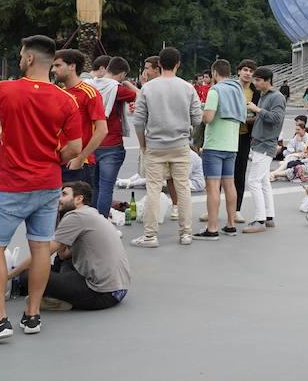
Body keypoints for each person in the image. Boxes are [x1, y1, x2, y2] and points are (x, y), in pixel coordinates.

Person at [0, 35, 82, 346]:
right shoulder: (67, 99)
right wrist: (53, 158)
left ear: (27, 59)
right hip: (50, 184)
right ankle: (32, 314)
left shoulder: (5, 90)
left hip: (13, 185)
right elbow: (75, 148)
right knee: (40, 248)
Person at [130, 47, 202, 248]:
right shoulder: (188, 88)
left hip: (154, 145)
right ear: (178, 64)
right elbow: (197, 118)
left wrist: (143, 145)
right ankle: (186, 233)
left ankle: (150, 235)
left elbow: (138, 121)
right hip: (180, 145)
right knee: (183, 187)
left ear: (159, 64)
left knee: (153, 188)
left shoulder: (148, 88)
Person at [41, 181, 131, 310]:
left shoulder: (76, 217)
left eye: (64, 194)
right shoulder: (91, 213)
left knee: (30, 275)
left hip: (102, 294)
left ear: (79, 199)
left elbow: (43, 254)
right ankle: (58, 295)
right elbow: (63, 255)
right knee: (63, 263)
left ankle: (59, 299)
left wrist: (12, 274)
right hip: (119, 290)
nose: (58, 199)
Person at [195, 59, 246, 240]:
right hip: (232, 144)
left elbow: (208, 118)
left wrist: (199, 112)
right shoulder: (238, 90)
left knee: (213, 187)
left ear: (215, 73)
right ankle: (231, 225)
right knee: (229, 184)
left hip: (215, 144)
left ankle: (212, 228)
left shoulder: (215, 90)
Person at [51, 49, 108, 197]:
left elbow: (102, 130)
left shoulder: (89, 93)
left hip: (79, 164)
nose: (53, 70)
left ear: (72, 66)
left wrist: (81, 157)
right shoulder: (58, 92)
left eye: (58, 65)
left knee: (77, 212)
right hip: (57, 162)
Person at [240, 66, 286, 233]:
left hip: (265, 144)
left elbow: (276, 118)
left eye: (258, 80)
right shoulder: (265, 96)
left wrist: (257, 110)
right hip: (261, 142)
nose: (255, 82)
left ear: (268, 81)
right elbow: (263, 117)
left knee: (253, 181)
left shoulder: (277, 97)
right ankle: (268, 217)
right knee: (264, 181)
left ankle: (259, 220)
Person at [89, 57, 136, 217]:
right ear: (122, 74)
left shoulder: (89, 85)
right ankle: (102, 222)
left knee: (94, 186)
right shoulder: (117, 89)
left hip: (91, 143)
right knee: (106, 187)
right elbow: (141, 95)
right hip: (111, 143)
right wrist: (129, 84)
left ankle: (92, 221)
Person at [232, 59, 258, 220]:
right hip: (227, 134)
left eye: (251, 71)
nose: (248, 73)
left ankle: (236, 209)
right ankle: (212, 207)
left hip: (244, 136)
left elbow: (258, 115)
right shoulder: (231, 89)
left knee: (239, 172)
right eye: (245, 70)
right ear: (239, 71)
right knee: (221, 173)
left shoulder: (257, 93)